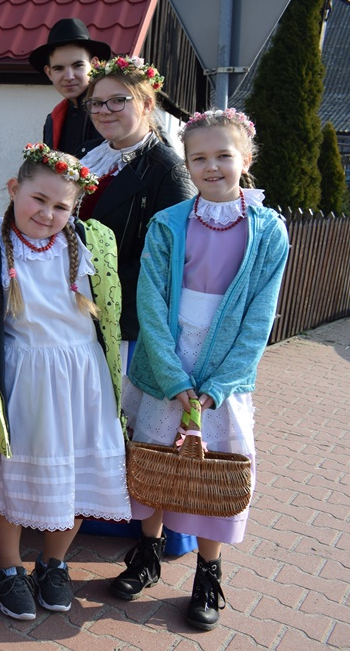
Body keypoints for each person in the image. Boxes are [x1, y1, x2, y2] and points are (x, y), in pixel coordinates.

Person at [110, 109, 288, 631]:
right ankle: (146, 555)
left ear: (246, 159)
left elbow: (258, 318)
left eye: (223, 156)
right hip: (166, 360)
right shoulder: (168, 224)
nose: (212, 167)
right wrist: (172, 376)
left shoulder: (268, 231)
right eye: (200, 158)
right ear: (187, 164)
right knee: (153, 461)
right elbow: (150, 299)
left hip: (223, 371)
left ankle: (208, 573)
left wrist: (216, 386)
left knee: (218, 472)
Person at [0, 143, 131, 621]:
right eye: (38, 200)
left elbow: (111, 317)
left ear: (77, 208)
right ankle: (7, 567)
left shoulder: (94, 243)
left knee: (77, 475)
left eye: (61, 206)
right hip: (22, 381)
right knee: (12, 477)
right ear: (14, 189)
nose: (48, 214)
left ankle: (54, 562)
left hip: (84, 380)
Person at [78, 55, 196, 360]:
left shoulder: (169, 171)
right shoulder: (90, 158)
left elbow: (167, 262)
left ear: (146, 104)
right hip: (78, 310)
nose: (104, 111)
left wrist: (93, 290)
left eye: (118, 101)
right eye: (96, 102)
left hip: (124, 322)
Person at [29, 18, 112, 159]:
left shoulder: (114, 111)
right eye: (59, 68)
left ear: (95, 64)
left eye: (78, 66)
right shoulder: (52, 121)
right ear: (49, 73)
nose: (68, 76)